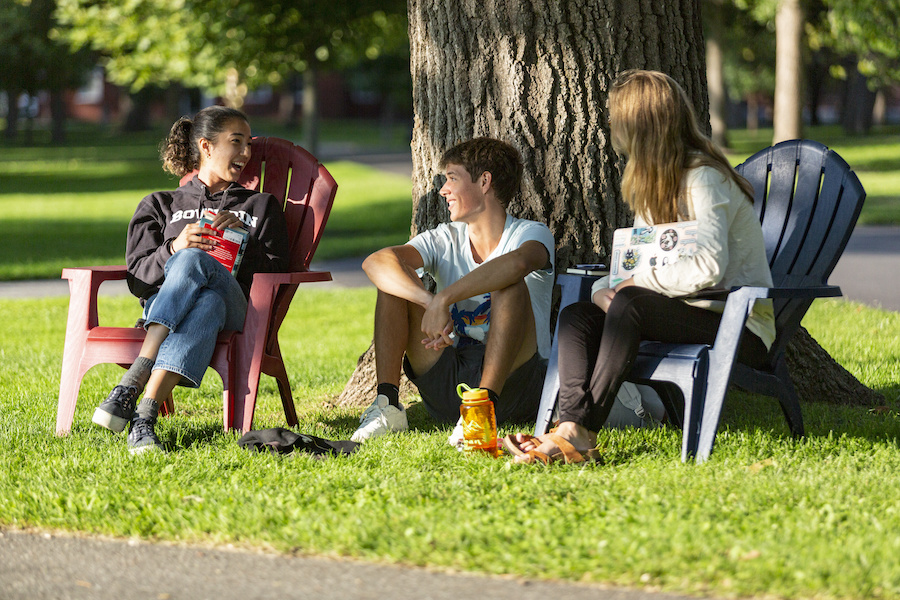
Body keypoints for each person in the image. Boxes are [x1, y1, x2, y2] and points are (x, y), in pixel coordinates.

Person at [504, 70, 777, 464]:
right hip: (674, 312)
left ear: (639, 125)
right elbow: (636, 265)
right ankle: (569, 428)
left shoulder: (704, 179)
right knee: (579, 315)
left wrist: (630, 287)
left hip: (736, 324)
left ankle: (577, 432)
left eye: (616, 117)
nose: (611, 125)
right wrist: (603, 288)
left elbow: (708, 267)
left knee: (630, 302)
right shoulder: (654, 184)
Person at [91, 106, 289, 454]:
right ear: (207, 147)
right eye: (236, 142)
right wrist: (174, 247)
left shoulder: (260, 206)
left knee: (201, 268)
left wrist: (246, 240)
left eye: (248, 145)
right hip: (184, 308)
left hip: (238, 308)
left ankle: (133, 378)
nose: (246, 153)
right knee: (205, 299)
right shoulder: (160, 204)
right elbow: (138, 280)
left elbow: (278, 274)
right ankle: (144, 419)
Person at [351, 137, 556, 443]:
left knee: (508, 284)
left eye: (452, 179)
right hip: (451, 379)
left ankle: (482, 414)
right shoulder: (446, 238)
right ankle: (387, 405)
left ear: (484, 181)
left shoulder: (530, 233)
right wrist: (427, 300)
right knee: (393, 284)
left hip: (516, 383)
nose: (443, 190)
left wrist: (446, 298)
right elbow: (376, 262)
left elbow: (517, 264)